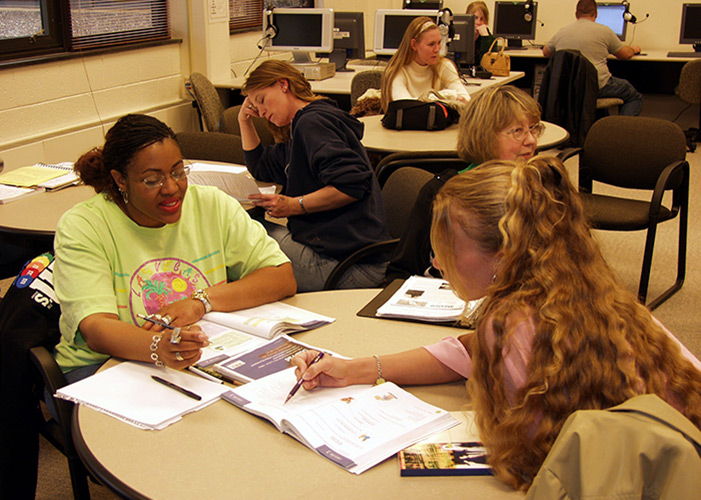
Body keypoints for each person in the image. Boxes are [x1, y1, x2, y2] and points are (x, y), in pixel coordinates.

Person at [291, 155, 701, 492]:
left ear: (503, 253)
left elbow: (535, 468)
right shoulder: (583, 288)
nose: (435, 261)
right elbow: (466, 351)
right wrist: (358, 369)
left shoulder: (511, 325)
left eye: (445, 246)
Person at [52, 114, 296, 379]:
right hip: (105, 366)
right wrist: (158, 347)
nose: (171, 188)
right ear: (120, 179)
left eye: (178, 172)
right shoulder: (84, 226)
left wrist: (200, 302)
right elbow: (96, 330)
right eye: (151, 180)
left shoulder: (211, 204)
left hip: (199, 357)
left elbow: (280, 276)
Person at [238, 60, 389, 292]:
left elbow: (351, 186)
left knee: (238, 237)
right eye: (255, 107)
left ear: (282, 85)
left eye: (262, 100)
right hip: (349, 255)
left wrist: (294, 205)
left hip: (348, 268)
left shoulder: (312, 124)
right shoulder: (304, 122)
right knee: (246, 229)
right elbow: (261, 166)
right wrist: (244, 121)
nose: (261, 111)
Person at [385, 84, 542, 282]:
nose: (530, 140)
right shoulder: (444, 192)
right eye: (517, 130)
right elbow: (400, 272)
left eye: (533, 128)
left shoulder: (542, 191)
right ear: (485, 136)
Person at [543, 0, 643, 116]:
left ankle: (599, 127)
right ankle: (620, 132)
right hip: (597, 86)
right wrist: (634, 50)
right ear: (596, 14)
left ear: (576, 14)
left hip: (569, 88)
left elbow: (546, 52)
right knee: (634, 96)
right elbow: (625, 54)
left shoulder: (562, 32)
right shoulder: (604, 31)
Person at [380, 16, 470, 113]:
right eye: (431, 44)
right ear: (414, 45)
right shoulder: (396, 71)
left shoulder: (444, 66)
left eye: (439, 42)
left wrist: (431, 98)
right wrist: (449, 95)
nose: (437, 49)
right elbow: (406, 107)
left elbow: (466, 101)